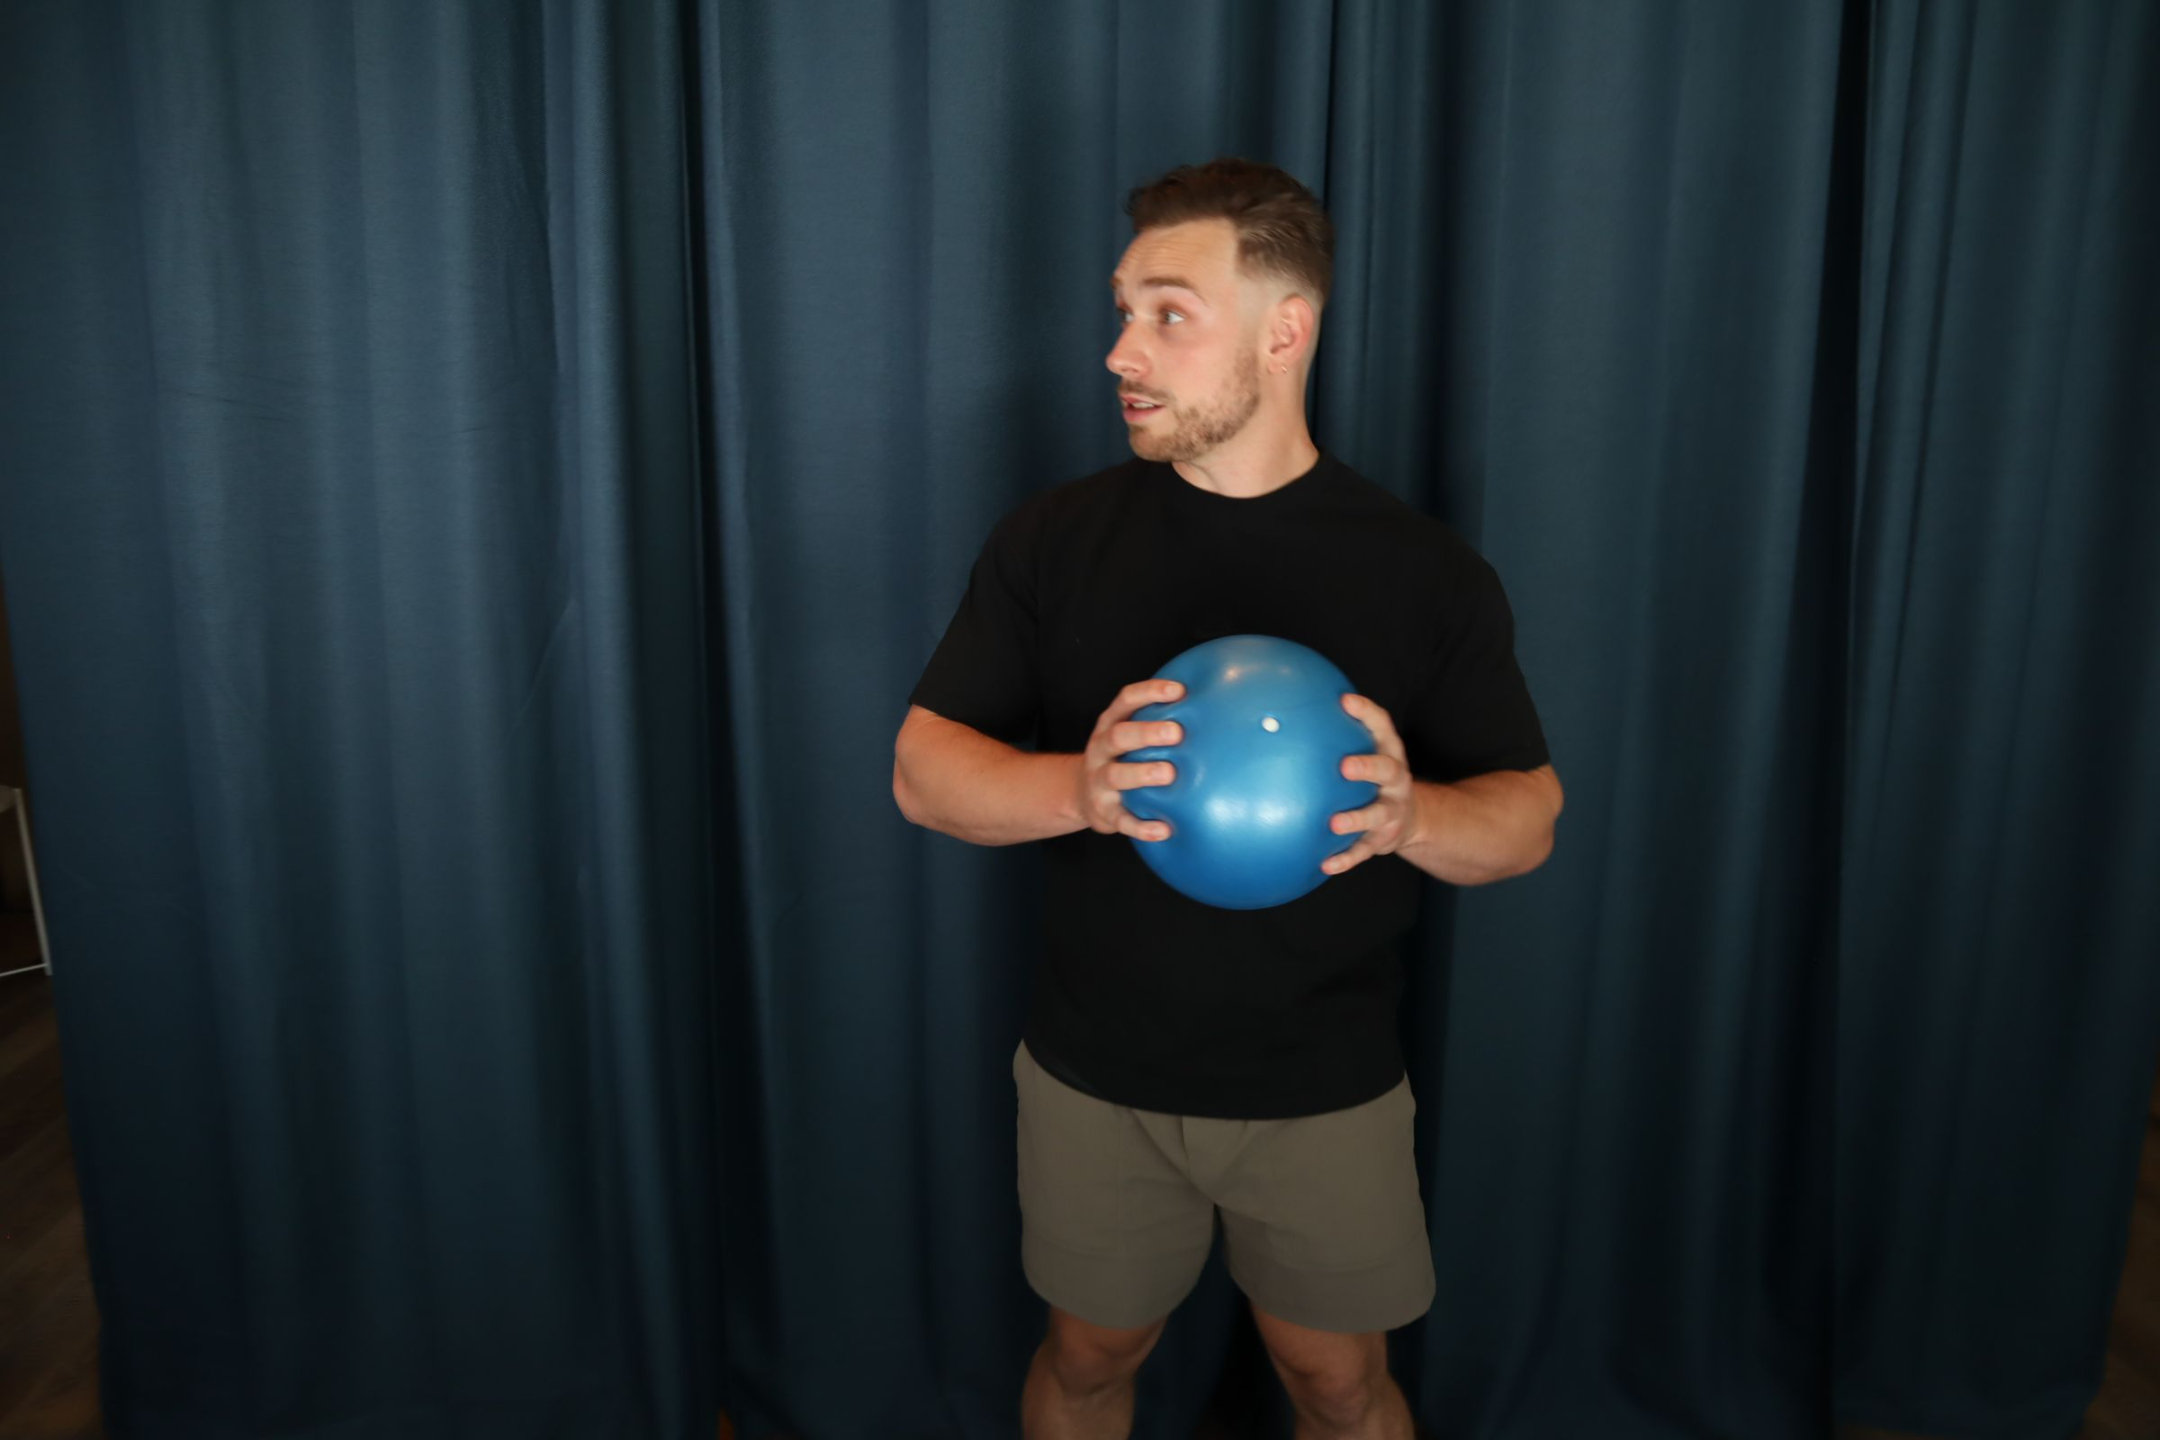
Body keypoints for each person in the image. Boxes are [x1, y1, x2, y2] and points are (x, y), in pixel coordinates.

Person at [892, 158, 1563, 1440]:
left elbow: (1529, 817)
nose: (1119, 352)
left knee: (1338, 1383)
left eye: (1168, 313)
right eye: (1122, 310)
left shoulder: (1425, 575)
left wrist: (1412, 815)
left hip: (1323, 1080)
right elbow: (923, 773)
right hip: (1096, 1072)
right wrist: (1080, 787)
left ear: (1284, 330)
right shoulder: (1052, 541)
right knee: (1090, 1357)